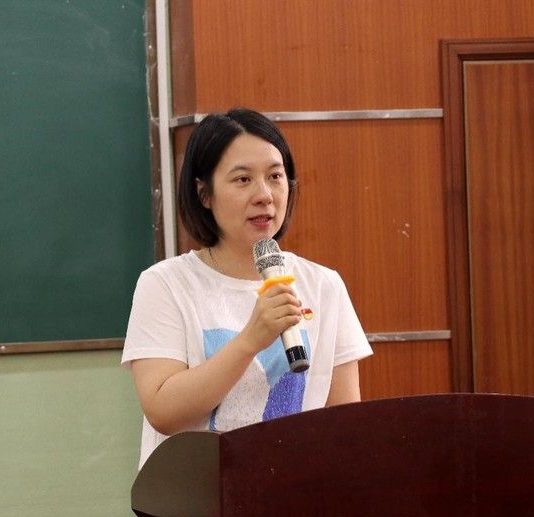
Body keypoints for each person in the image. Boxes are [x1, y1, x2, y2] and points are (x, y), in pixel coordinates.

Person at [122, 108, 372, 468]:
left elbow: (344, 424)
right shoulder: (165, 284)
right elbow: (163, 411)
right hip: (197, 495)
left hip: (293, 492)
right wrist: (250, 340)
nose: (264, 195)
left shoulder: (324, 285)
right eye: (243, 179)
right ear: (204, 194)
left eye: (275, 176)